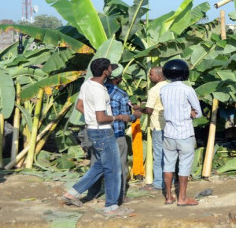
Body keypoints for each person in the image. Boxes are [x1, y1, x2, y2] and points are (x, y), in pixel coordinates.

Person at [62, 58, 133, 216]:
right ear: (105, 72)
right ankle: (111, 207)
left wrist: (90, 117)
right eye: (109, 68)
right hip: (103, 130)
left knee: (100, 165)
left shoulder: (87, 83)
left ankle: (72, 193)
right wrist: (119, 117)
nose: (111, 70)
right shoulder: (100, 91)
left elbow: (79, 106)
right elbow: (102, 117)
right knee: (113, 169)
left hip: (92, 130)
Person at [85, 64, 139, 204]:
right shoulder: (120, 94)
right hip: (116, 134)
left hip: (96, 132)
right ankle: (119, 197)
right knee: (120, 167)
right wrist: (136, 115)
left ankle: (92, 194)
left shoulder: (93, 88)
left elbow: (82, 107)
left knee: (96, 164)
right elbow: (126, 116)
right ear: (119, 78)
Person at [160, 59, 202, 206]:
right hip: (184, 133)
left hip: (169, 133)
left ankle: (168, 197)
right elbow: (198, 113)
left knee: (168, 164)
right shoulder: (187, 90)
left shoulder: (163, 89)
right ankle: (182, 198)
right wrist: (191, 112)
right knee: (184, 165)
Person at [139, 67, 168, 191]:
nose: (149, 77)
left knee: (159, 155)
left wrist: (140, 109)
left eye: (151, 74)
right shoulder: (170, 87)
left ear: (159, 76)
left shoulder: (154, 90)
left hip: (158, 125)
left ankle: (158, 183)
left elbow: (149, 110)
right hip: (170, 126)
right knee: (169, 155)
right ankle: (169, 180)